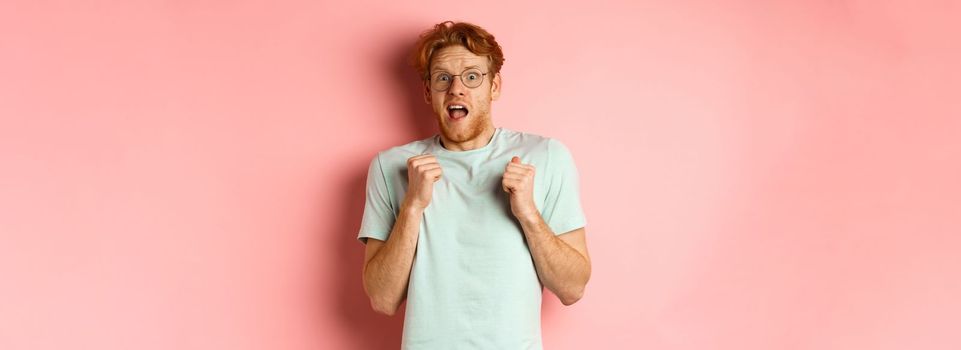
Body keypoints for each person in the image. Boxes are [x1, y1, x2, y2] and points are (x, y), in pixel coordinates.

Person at [357, 20, 591, 349]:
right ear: (428, 92)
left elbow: (572, 288)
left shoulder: (546, 156)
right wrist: (413, 206)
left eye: (471, 76)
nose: (456, 89)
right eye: (443, 78)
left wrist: (528, 215)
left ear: (494, 86)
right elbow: (383, 299)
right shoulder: (390, 166)